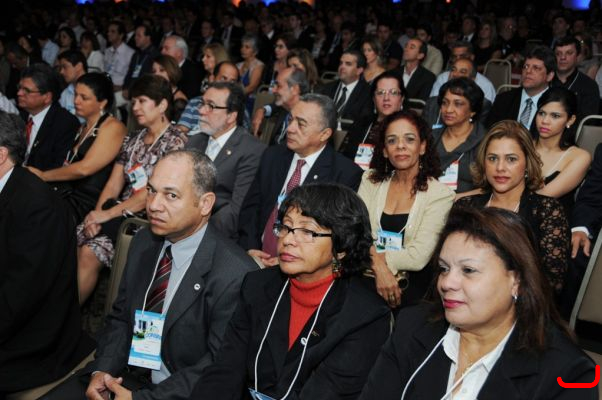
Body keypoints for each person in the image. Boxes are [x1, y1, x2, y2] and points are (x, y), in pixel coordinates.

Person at [42, 149, 257, 399]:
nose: (153, 205)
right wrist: (103, 370)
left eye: (171, 195)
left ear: (205, 203)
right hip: (124, 375)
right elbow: (122, 319)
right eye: (152, 191)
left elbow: (217, 367)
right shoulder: (145, 241)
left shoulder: (235, 273)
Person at [359, 207, 598, 400]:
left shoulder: (569, 373)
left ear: (517, 281)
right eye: (444, 268)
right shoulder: (413, 327)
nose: (447, 283)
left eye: (468, 270)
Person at [192, 183, 391, 399]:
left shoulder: (365, 315)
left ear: (342, 246)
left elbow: (328, 393)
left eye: (307, 231)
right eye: (285, 227)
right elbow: (225, 372)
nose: (287, 240)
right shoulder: (257, 285)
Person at [0, 111, 94, 397]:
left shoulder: (38, 207)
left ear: (1, 155)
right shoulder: (11, 187)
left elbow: (21, 295)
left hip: (30, 340)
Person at [76, 75, 187, 304]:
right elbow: (113, 184)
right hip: (116, 213)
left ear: (162, 105)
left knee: (89, 251)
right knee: (73, 238)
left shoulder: (176, 142)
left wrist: (106, 215)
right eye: (134, 102)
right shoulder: (133, 139)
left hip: (145, 219)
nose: (135, 107)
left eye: (142, 101)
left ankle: (67, 315)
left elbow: (153, 193)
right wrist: (96, 216)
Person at [238, 94, 363, 267]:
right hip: (255, 257)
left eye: (301, 124)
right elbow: (251, 209)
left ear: (324, 134)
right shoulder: (272, 156)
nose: (290, 128)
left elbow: (335, 234)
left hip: (302, 264)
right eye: (290, 120)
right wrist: (250, 248)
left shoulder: (345, 174)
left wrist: (289, 258)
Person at [456, 120, 570, 296]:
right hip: (462, 296)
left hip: (520, 304)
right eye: (492, 158)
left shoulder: (546, 211)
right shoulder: (466, 206)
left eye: (511, 159)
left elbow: (551, 282)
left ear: (527, 163)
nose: (500, 168)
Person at [358, 110, 454, 309]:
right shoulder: (370, 180)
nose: (400, 146)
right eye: (392, 140)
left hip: (410, 288)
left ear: (422, 147)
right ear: (385, 150)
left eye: (409, 139)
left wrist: (377, 260)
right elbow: (356, 233)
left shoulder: (440, 194)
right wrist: (379, 267)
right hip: (365, 276)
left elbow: (417, 257)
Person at [26, 73, 127, 225]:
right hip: (67, 194)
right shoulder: (82, 128)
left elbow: (85, 168)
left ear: (102, 103)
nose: (76, 101)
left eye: (84, 98)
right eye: (76, 95)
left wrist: (43, 176)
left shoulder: (113, 127)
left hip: (87, 202)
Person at [186, 82, 266, 238]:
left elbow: (236, 210)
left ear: (231, 116)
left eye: (211, 106)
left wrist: (195, 235)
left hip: (216, 234)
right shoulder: (195, 141)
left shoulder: (251, 150)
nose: (201, 111)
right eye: (202, 103)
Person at [534, 87, 591, 215]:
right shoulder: (522, 146)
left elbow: (543, 198)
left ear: (570, 120)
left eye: (555, 116)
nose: (545, 121)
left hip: (552, 221)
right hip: (508, 215)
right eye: (541, 113)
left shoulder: (580, 157)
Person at [17, 63, 80, 170]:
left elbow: (58, 168)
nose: (19, 93)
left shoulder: (65, 124)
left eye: (26, 90)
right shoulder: (21, 115)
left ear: (47, 97)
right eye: (19, 88)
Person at [432, 77, 487, 194]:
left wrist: (458, 198)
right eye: (445, 103)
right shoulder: (431, 137)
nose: (448, 110)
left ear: (472, 110)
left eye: (458, 104)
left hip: (467, 203)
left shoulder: (486, 142)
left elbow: (491, 188)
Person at [341, 70, 405, 165]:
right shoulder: (361, 124)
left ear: (402, 98)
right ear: (374, 99)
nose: (386, 98)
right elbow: (344, 158)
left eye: (393, 92)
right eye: (380, 93)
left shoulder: (409, 127)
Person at [487, 46, 556, 133]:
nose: (528, 71)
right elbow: (490, 132)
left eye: (536, 68)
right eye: (525, 67)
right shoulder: (504, 99)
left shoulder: (556, 104)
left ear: (549, 76)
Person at [423, 57, 492, 128]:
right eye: (453, 70)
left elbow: (479, 131)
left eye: (462, 72)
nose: (455, 74)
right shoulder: (432, 103)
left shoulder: (483, 105)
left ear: (472, 79)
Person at [316, 50, 373, 130]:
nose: (342, 67)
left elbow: (363, 121)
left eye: (348, 64)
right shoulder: (326, 88)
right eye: (341, 63)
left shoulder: (368, 93)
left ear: (359, 70)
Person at [252, 67, 310, 143]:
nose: (273, 90)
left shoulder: (306, 119)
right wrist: (262, 110)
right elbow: (274, 106)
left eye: (279, 86)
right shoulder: (285, 105)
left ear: (295, 89)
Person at [429, 41, 496, 103]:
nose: (457, 59)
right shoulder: (443, 78)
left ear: (472, 57)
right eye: (454, 56)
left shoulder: (485, 85)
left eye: (462, 56)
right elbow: (433, 104)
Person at [552, 36, 600, 120]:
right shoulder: (544, 81)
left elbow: (587, 121)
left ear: (577, 56)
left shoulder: (589, 85)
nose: (563, 57)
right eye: (558, 53)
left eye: (569, 53)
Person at [161, 35, 203, 99]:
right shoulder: (160, 66)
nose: (162, 52)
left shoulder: (193, 73)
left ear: (179, 53)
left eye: (166, 48)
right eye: (162, 48)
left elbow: (187, 99)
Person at [122, 24, 160, 95]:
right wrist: (125, 88)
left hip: (143, 93)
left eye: (139, 36)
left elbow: (151, 79)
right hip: (130, 90)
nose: (135, 38)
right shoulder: (136, 54)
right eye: (135, 35)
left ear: (148, 38)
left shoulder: (154, 55)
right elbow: (129, 73)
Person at [151, 55, 188, 121]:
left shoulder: (179, 102)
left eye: (162, 70)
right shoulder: (156, 94)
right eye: (154, 71)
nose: (157, 74)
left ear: (171, 71)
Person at [103, 21, 135, 93]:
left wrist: (123, 87)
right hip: (105, 88)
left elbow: (133, 76)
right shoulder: (107, 51)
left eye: (113, 32)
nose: (108, 34)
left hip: (120, 91)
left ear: (121, 35)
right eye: (108, 31)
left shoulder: (130, 53)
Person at [237, 34, 265, 115]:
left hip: (249, 102)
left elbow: (251, 87)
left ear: (255, 51)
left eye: (247, 47)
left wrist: (234, 95)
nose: (242, 49)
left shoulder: (258, 66)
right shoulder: (238, 65)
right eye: (242, 46)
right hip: (237, 99)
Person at [57, 50, 87, 120]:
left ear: (78, 66)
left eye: (65, 67)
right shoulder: (65, 93)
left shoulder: (95, 89)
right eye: (61, 68)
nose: (61, 72)